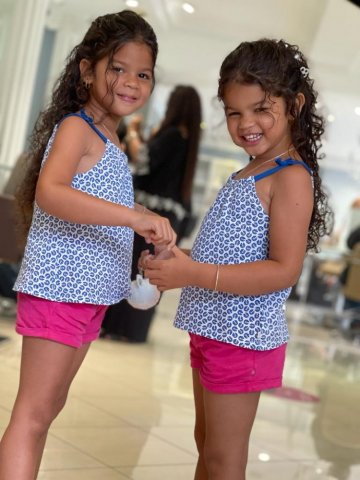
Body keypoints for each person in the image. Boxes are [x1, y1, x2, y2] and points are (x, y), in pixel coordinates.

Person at [144, 39, 333, 480]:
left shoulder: (290, 177)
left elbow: (283, 269)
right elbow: (228, 256)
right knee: (206, 447)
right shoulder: (251, 170)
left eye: (261, 108)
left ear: (295, 105)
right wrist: (179, 258)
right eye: (234, 112)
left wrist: (190, 271)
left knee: (225, 460)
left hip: (243, 338)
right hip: (212, 328)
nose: (246, 123)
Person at [0, 10, 176, 480]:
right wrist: (135, 216)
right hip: (60, 289)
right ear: (87, 69)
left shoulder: (113, 140)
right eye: (117, 68)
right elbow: (51, 192)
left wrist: (135, 248)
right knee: (33, 414)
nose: (130, 82)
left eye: (143, 74)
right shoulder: (78, 127)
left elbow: (98, 213)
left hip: (88, 296)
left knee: (48, 410)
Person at [101, 85, 202, 342]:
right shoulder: (187, 139)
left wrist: (133, 133)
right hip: (170, 216)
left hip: (150, 214)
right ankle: (134, 330)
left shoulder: (172, 134)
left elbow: (144, 161)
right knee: (152, 274)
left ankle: (118, 327)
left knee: (136, 267)